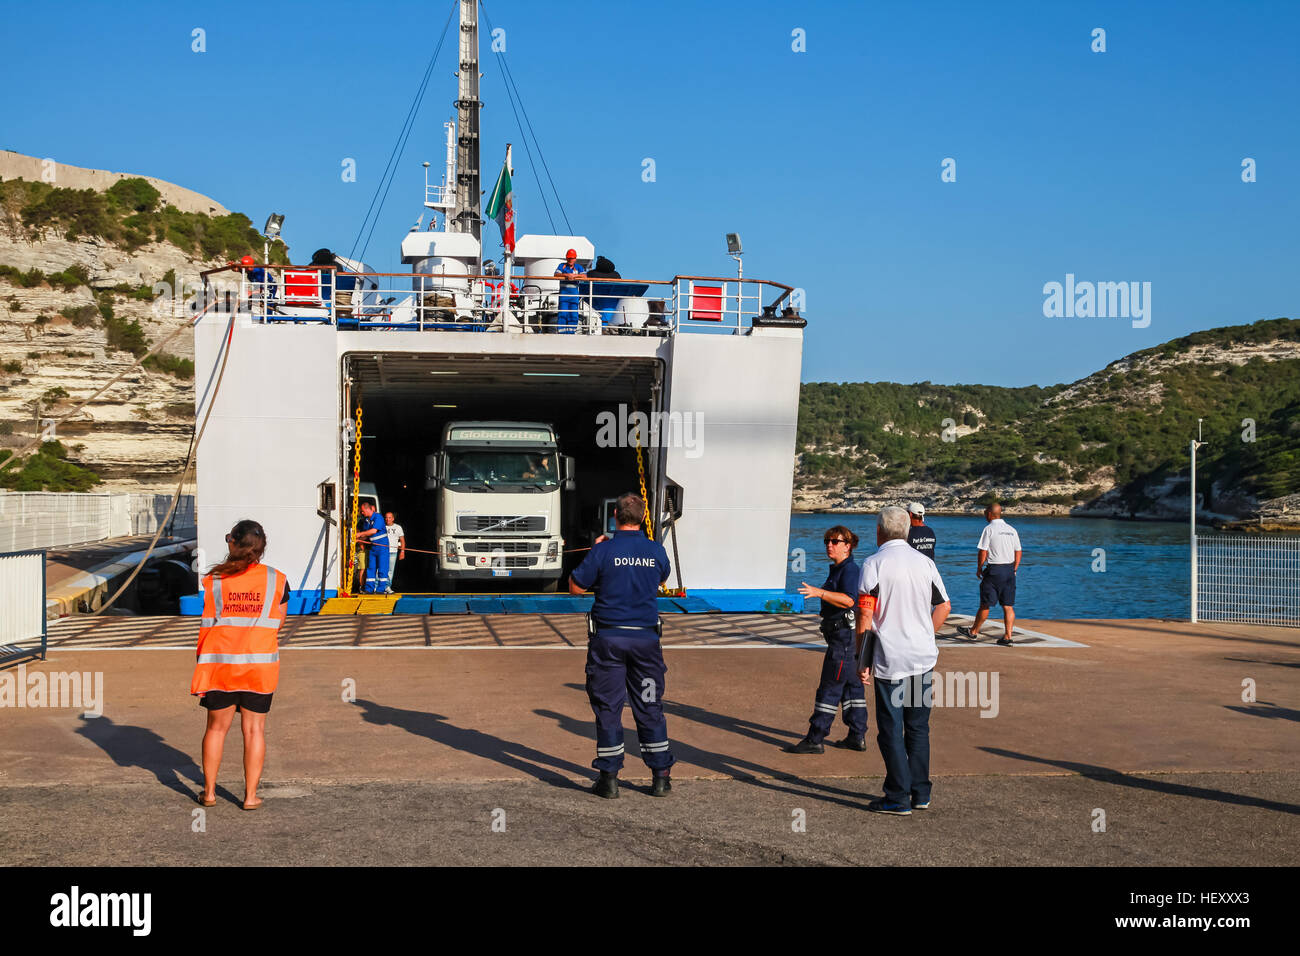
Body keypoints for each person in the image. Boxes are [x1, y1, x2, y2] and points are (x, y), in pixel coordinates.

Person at [568, 492, 674, 798]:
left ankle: (610, 778)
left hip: (609, 641)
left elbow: (576, 587)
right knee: (650, 706)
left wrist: (596, 553)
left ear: (615, 516)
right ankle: (661, 777)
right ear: (643, 518)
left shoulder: (604, 550)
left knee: (608, 707)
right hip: (645, 642)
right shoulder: (655, 550)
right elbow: (662, 577)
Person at [856, 505, 952, 815]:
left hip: (890, 659)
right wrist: (926, 633)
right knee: (918, 727)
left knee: (890, 729)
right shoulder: (925, 563)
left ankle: (897, 796)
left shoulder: (873, 564)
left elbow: (865, 616)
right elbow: (944, 606)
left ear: (879, 531)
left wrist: (862, 658)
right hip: (922, 657)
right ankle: (920, 793)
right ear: (908, 530)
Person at [191, 520, 290, 811]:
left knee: (216, 730)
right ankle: (249, 797)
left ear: (233, 543)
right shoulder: (277, 580)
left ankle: (209, 793)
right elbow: (279, 623)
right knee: (254, 731)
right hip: (259, 666)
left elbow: (209, 619)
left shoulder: (214, 580)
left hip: (220, 665)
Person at [786, 526, 867, 754]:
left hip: (843, 641)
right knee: (852, 689)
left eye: (834, 541)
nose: (829, 545)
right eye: (826, 541)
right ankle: (856, 734)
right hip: (845, 639)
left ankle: (815, 738)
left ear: (847, 546)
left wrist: (819, 593)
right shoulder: (840, 569)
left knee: (829, 689)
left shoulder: (849, 571)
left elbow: (850, 600)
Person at [957, 502, 1022, 646]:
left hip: (995, 570)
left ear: (991, 514)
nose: (985, 515)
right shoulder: (1012, 529)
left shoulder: (989, 529)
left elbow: (983, 551)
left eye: (986, 512)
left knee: (985, 604)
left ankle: (973, 632)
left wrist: (979, 567)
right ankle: (1008, 636)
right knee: (1008, 606)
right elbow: (1018, 551)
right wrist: (1015, 568)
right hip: (1009, 570)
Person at [355, 501, 389, 593]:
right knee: (371, 568)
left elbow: (373, 531)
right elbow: (367, 535)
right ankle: (369, 589)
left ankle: (381, 589)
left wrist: (360, 534)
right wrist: (359, 539)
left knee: (382, 568)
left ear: (367, 509)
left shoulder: (378, 517)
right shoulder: (366, 520)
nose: (361, 513)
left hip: (382, 547)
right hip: (373, 547)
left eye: (362, 511)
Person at [553, 249, 587, 333]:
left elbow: (584, 276)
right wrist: (566, 275)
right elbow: (556, 274)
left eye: (572, 258)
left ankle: (571, 332)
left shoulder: (578, 267)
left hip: (574, 297)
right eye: (569, 258)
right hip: (564, 296)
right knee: (563, 314)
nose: (570, 260)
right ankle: (562, 333)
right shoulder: (562, 266)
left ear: (575, 258)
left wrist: (574, 276)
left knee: (573, 315)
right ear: (566, 258)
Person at [384, 511, 405, 594]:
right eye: (386, 517)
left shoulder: (398, 527)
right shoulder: (382, 527)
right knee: (380, 570)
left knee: (390, 570)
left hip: (393, 552)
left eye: (389, 517)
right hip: (383, 552)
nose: (387, 519)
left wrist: (402, 551)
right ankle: (378, 587)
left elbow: (402, 540)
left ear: (393, 518)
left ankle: (387, 586)